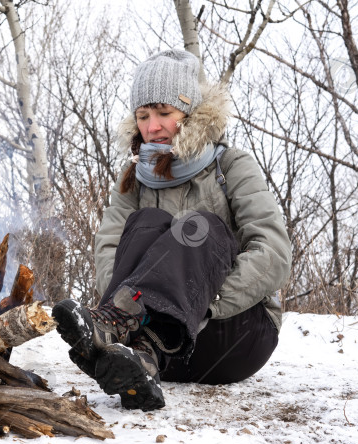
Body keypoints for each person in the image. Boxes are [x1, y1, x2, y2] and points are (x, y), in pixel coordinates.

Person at [52, 49, 292, 411]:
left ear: (191, 113)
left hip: (231, 336)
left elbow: (274, 253)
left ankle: (133, 330)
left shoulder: (232, 165)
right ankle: (139, 361)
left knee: (196, 226)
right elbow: (108, 250)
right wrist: (140, 315)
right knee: (145, 223)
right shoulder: (133, 178)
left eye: (165, 113)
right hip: (157, 347)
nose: (152, 126)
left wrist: (196, 305)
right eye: (144, 116)